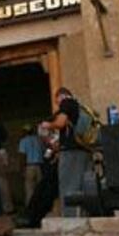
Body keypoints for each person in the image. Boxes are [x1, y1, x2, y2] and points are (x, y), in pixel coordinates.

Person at [40, 87, 93, 217]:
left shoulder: (67, 102)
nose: (58, 105)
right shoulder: (81, 107)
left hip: (71, 152)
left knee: (68, 186)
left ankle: (70, 218)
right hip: (85, 150)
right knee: (84, 186)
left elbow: (61, 123)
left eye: (57, 101)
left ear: (61, 96)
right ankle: (84, 215)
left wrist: (48, 125)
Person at [18, 124, 44, 206]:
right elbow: (44, 152)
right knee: (40, 188)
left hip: (29, 166)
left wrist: (21, 169)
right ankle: (40, 206)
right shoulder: (39, 140)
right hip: (40, 166)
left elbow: (22, 156)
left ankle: (30, 207)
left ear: (25, 132)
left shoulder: (23, 141)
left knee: (29, 189)